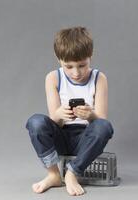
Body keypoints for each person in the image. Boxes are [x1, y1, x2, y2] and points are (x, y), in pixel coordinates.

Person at [25, 26, 114, 196]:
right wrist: (59, 114)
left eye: (82, 65)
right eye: (69, 66)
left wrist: (91, 115)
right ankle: (53, 174)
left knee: (104, 126)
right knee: (35, 122)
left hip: (86, 139)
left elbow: (102, 122)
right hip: (62, 135)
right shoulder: (53, 78)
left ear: (91, 56)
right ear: (59, 59)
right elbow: (54, 121)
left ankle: (72, 173)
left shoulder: (99, 78)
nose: (76, 73)